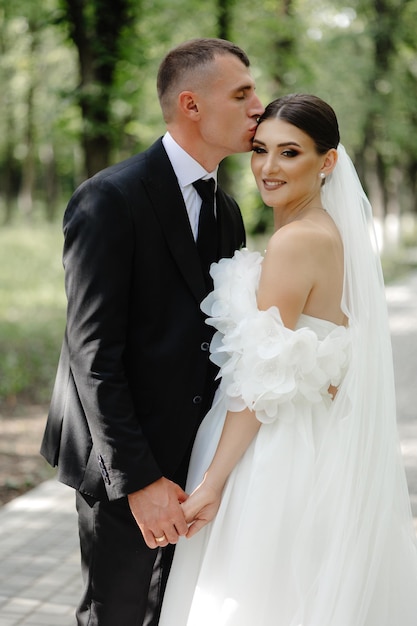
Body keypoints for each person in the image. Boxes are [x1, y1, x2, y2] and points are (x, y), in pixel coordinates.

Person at [159, 94, 417, 625]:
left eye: (290, 153)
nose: (268, 168)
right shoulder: (331, 234)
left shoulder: (296, 242)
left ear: (327, 162)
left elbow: (261, 379)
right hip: (317, 439)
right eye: (259, 150)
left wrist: (213, 484)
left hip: (274, 451)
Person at [40, 38, 263, 626]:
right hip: (121, 463)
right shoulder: (108, 199)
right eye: (241, 94)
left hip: (194, 465)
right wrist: (139, 480)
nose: (257, 106)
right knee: (115, 616)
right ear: (191, 105)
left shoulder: (229, 211)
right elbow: (91, 354)